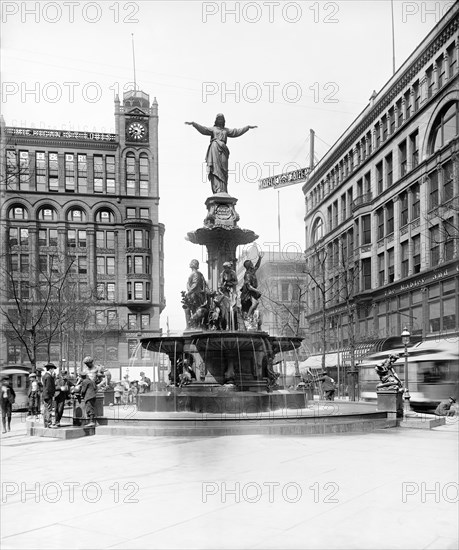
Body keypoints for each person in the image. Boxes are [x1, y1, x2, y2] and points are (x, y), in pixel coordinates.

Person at [185, 115, 257, 194]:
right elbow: (203, 129)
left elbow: (236, 132)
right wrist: (194, 124)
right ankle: (217, 189)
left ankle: (224, 190)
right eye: (219, 119)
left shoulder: (226, 130)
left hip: (223, 150)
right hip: (215, 148)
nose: (220, 120)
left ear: (223, 120)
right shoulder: (213, 129)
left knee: (224, 170)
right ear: (216, 120)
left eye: (221, 119)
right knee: (216, 169)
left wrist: (247, 128)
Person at [240, 252, 264, 320]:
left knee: (256, 304)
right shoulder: (247, 274)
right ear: (249, 266)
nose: (253, 265)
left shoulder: (252, 271)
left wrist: (260, 258)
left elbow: (257, 266)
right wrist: (257, 290)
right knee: (255, 303)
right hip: (248, 293)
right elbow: (249, 286)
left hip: (252, 292)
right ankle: (248, 316)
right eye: (252, 264)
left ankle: (250, 316)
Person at [42, 363, 57, 428]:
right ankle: (49, 423)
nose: (53, 370)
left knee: (45, 409)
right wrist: (52, 394)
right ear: (50, 369)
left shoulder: (45, 375)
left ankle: (46, 423)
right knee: (48, 409)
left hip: (45, 395)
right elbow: (49, 387)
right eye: (53, 369)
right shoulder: (48, 376)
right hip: (48, 395)